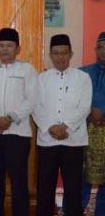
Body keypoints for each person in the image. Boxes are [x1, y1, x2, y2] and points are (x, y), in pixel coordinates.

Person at [0, 27, 39, 216]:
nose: (5, 49)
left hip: (18, 134)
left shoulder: (27, 70)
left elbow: (32, 99)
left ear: (17, 49)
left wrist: (10, 118)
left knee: (19, 181)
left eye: (9, 46)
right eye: (1, 45)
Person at [33, 34, 92, 216]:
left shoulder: (83, 78)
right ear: (50, 55)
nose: (60, 57)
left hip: (73, 141)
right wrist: (50, 128)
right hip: (47, 142)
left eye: (64, 53)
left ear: (70, 54)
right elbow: (35, 106)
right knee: (45, 188)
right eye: (56, 53)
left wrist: (66, 126)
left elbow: (85, 106)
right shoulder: (41, 79)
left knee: (73, 189)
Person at [81, 31, 105, 215]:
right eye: (100, 47)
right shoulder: (83, 73)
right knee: (80, 172)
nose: (103, 51)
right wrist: (89, 114)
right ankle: (73, 208)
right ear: (95, 49)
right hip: (86, 129)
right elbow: (73, 100)